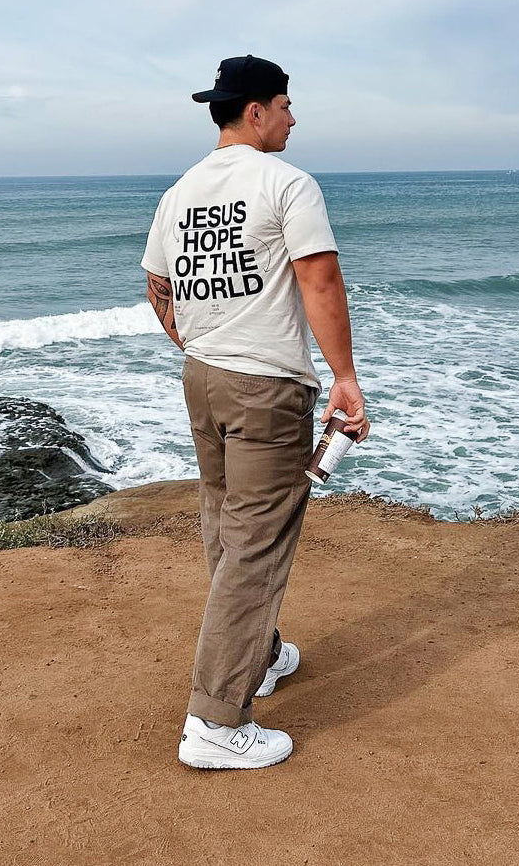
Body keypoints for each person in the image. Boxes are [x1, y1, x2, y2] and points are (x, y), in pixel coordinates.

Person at [141, 54, 369, 770]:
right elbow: (319, 279)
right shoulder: (285, 182)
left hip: (203, 378)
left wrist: (202, 341)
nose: (294, 118)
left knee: (224, 519)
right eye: (285, 104)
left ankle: (261, 656)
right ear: (255, 113)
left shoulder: (181, 191)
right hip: (265, 386)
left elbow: (157, 282)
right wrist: (345, 378)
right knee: (257, 543)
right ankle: (214, 722)